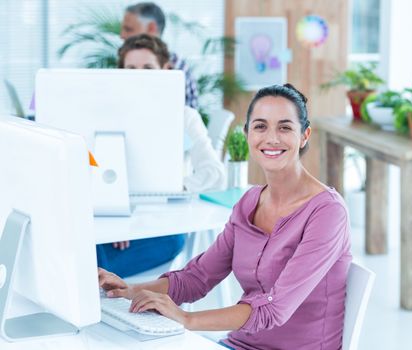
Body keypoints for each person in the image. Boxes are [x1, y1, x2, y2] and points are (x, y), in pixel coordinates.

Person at [99, 83, 352, 349]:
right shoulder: (249, 203)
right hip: (236, 344)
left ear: (304, 136)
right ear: (247, 134)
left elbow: (274, 309)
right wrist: (128, 290)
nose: (272, 138)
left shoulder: (327, 212)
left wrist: (186, 318)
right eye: (260, 126)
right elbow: (197, 278)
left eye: (285, 127)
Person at [96, 34, 225, 277]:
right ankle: (92, 281)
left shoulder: (185, 117)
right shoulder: (110, 116)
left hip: (163, 223)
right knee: (86, 240)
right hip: (117, 220)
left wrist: (171, 187)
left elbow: (215, 174)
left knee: (171, 240)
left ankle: (90, 280)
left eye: (148, 68)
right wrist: (119, 222)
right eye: (131, 69)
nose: (140, 76)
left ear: (166, 70)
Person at [120, 2, 199, 109]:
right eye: (131, 68)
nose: (122, 35)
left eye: (128, 29)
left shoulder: (175, 66)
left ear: (152, 28)